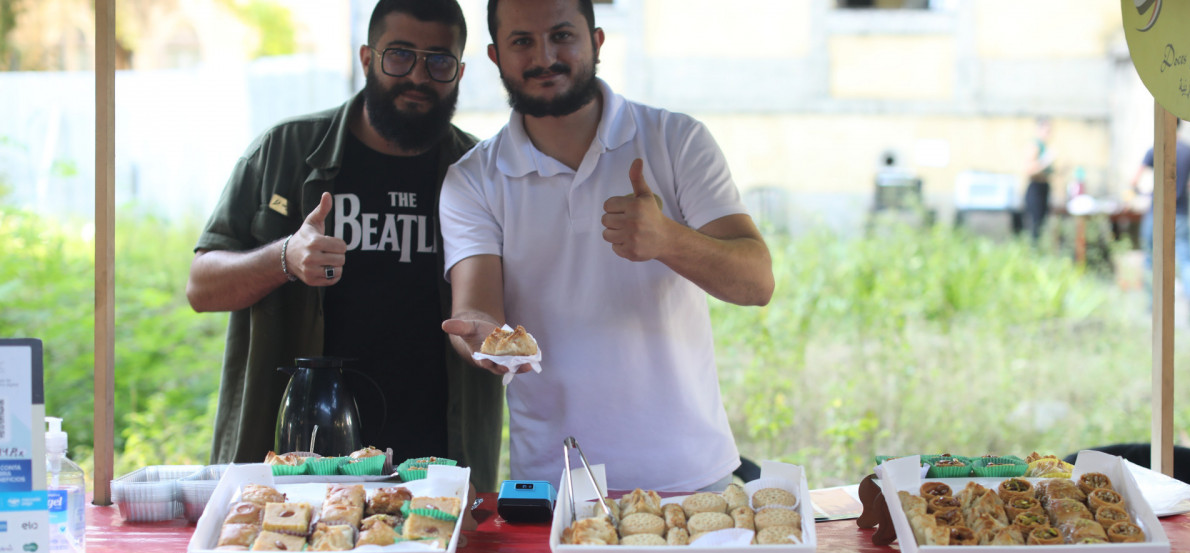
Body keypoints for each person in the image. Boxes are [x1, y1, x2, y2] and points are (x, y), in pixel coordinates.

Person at [438, 0, 774, 493]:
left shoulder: (676, 140)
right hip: (558, 484)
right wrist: (483, 339)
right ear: (495, 57)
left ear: (596, 40)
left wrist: (668, 239)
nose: (544, 56)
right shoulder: (473, 179)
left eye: (562, 36)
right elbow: (475, 309)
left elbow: (757, 282)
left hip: (691, 476)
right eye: (522, 41)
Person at [186, 0, 503, 492]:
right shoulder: (285, 152)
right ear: (366, 58)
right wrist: (285, 257)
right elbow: (201, 288)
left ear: (459, 72)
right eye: (399, 55)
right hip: (296, 463)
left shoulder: (480, 172)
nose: (418, 75)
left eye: (438, 61)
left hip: (437, 465)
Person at [1132, 122, 1190, 313]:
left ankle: (1152, 306)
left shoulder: (1156, 149)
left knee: (1151, 259)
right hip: (1182, 213)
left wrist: (1142, 192)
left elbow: (1134, 180)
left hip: (1158, 213)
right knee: (1186, 259)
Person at [1023, 116, 1055, 242]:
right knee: (1034, 227)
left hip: (1044, 188)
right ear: (1039, 129)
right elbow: (1029, 169)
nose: (1049, 134)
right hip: (1035, 188)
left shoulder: (1045, 146)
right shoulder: (1034, 145)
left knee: (1042, 225)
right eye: (1046, 130)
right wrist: (1045, 161)